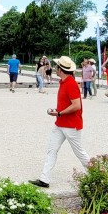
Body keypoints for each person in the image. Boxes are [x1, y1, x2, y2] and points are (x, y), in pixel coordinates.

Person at [29, 56, 89, 188]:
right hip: (60, 123)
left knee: (79, 152)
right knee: (52, 150)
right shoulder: (64, 82)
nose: (55, 68)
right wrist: (58, 111)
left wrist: (60, 112)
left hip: (71, 125)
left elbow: (76, 105)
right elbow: (68, 104)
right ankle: (44, 179)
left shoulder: (71, 84)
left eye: (57, 66)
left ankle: (96, 174)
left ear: (60, 69)